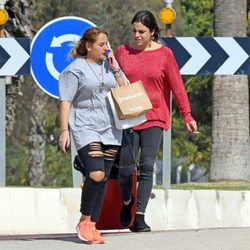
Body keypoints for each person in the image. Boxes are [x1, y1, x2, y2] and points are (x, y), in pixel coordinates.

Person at [116, 10, 198, 232]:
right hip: (129, 117)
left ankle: (140, 216)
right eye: (134, 31)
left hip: (155, 116)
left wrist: (187, 114)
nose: (137, 35)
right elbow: (110, 80)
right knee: (125, 168)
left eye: (142, 31)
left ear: (152, 32)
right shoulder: (122, 52)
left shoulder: (165, 54)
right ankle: (126, 202)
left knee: (147, 166)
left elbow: (177, 86)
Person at [58, 27, 126, 244]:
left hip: (110, 127)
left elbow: (126, 89)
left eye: (107, 43)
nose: (106, 48)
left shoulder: (110, 66)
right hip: (85, 125)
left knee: (103, 177)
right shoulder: (74, 70)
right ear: (88, 46)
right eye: (101, 44)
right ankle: (84, 221)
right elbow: (66, 101)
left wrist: (115, 67)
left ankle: (93, 225)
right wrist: (64, 130)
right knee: (96, 173)